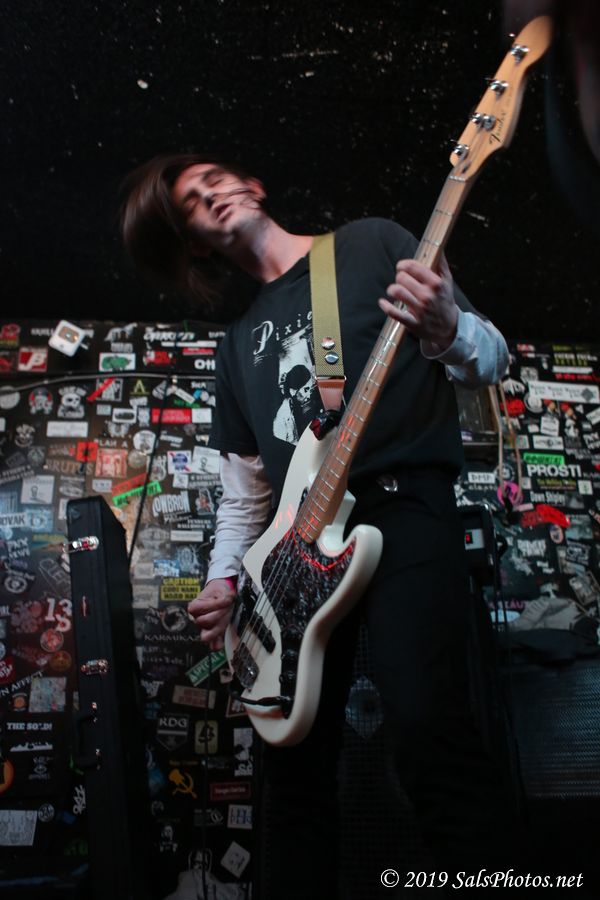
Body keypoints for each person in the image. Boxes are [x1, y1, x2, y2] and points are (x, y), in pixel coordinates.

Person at [121, 153, 511, 898]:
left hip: (401, 511)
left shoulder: (371, 242)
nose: (212, 194)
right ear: (196, 242)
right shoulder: (236, 346)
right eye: (193, 203)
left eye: (213, 178)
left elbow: (491, 360)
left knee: (430, 732)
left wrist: (447, 327)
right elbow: (245, 496)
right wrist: (223, 581)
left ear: (253, 185)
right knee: (292, 774)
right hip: (296, 557)